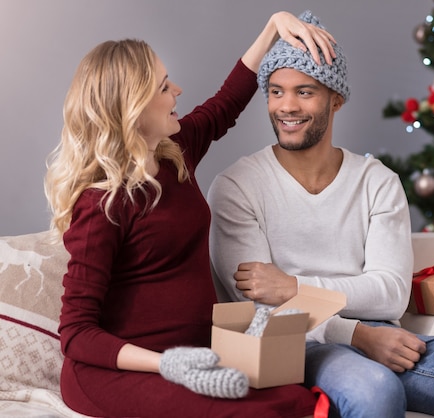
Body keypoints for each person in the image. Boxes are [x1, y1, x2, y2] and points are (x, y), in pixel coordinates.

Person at [208, 10, 434, 418]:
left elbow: (389, 294)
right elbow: (261, 305)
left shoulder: (377, 181)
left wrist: (293, 286)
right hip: (294, 344)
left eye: (304, 92)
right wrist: (356, 332)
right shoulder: (237, 186)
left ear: (336, 99)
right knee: (375, 390)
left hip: (382, 333)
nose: (286, 106)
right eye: (276, 92)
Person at [44, 11, 337, 418]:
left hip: (190, 358)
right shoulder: (101, 206)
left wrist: (273, 27)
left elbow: (225, 103)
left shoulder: (174, 153)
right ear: (134, 107)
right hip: (121, 371)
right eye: (164, 86)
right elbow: (75, 335)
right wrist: (166, 365)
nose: (177, 90)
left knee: (295, 399)